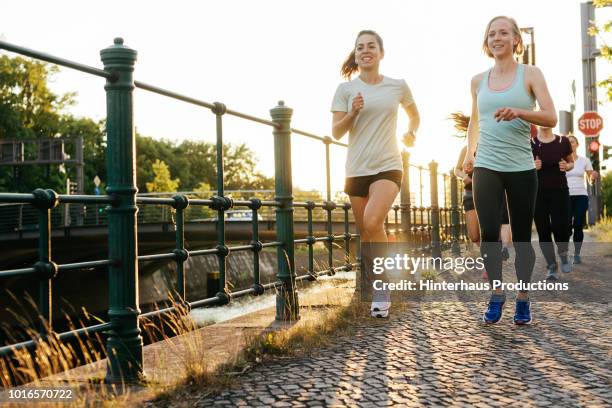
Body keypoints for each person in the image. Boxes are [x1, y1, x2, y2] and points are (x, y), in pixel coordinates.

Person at [463, 16, 557, 325]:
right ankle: (496, 293)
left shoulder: (530, 74)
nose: (497, 37)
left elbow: (551, 117)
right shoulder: (478, 80)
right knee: (489, 233)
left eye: (504, 32)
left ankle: (524, 298)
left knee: (520, 238)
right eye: (491, 33)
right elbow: (475, 122)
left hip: (520, 167)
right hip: (486, 165)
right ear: (486, 41)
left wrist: (519, 111)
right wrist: (468, 154)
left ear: (516, 40)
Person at [331, 30, 420, 318]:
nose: (365, 51)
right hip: (356, 168)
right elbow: (336, 131)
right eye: (360, 47)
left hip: (388, 164)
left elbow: (414, 115)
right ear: (355, 55)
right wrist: (352, 113)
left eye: (371, 46)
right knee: (369, 232)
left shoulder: (398, 86)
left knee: (372, 220)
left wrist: (410, 132)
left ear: (381, 53)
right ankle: (381, 278)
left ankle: (382, 287)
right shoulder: (345, 90)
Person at [531, 127, 574, 281]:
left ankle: (563, 256)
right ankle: (551, 266)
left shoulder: (563, 141)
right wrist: (532, 166)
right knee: (543, 231)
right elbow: (521, 167)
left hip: (560, 191)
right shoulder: (531, 143)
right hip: (537, 193)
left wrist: (567, 166)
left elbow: (571, 162)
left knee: (560, 228)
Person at [566, 135, 598, 264]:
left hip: (581, 196)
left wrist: (593, 177)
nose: (570, 144)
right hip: (565, 196)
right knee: (566, 227)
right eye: (568, 142)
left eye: (572, 142)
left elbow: (590, 179)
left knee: (578, 223)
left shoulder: (585, 160)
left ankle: (577, 254)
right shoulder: (562, 161)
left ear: (577, 144)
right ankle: (565, 251)